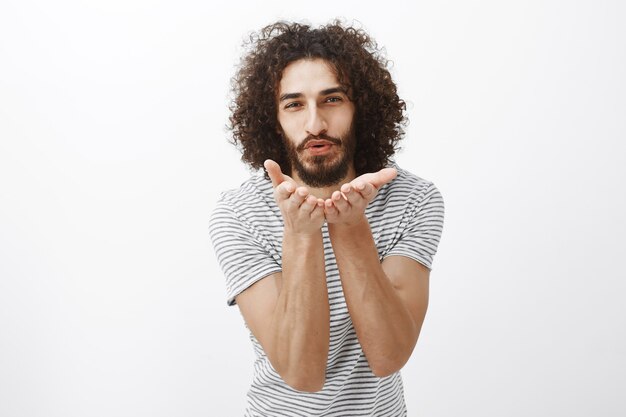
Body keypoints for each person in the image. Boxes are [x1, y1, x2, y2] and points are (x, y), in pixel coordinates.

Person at [209, 20, 445, 417]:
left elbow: (388, 356)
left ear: (361, 108)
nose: (315, 124)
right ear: (273, 119)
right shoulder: (238, 214)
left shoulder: (414, 199)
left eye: (332, 99)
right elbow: (302, 373)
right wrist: (302, 236)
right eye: (294, 104)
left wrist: (350, 227)